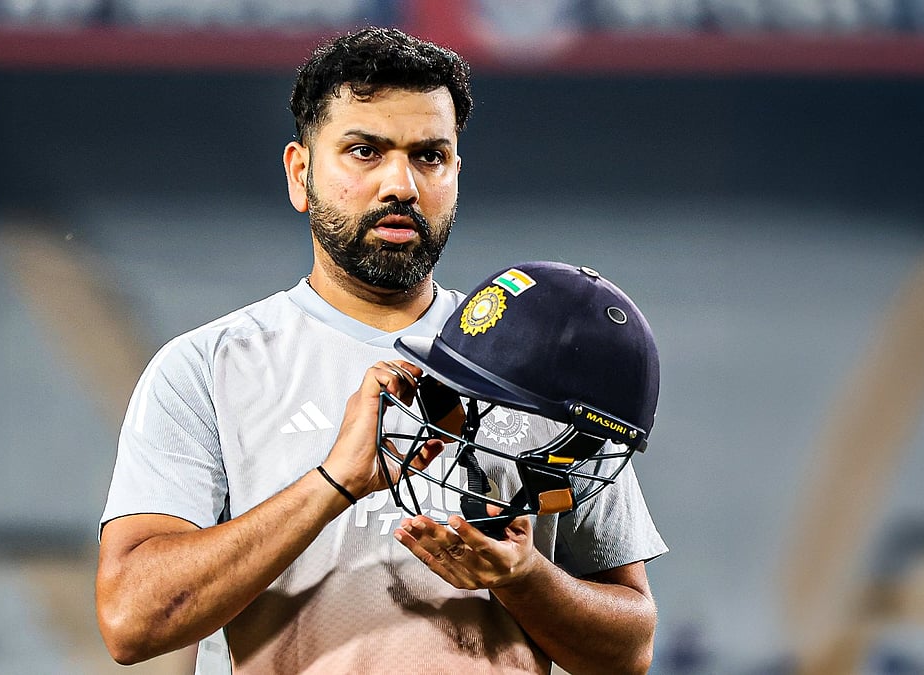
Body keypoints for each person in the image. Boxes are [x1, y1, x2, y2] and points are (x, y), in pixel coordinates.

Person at [96, 26, 666, 675]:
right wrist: (334, 482)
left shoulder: (539, 360)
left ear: (455, 174)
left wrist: (526, 577)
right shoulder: (207, 367)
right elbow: (131, 622)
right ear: (301, 174)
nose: (401, 184)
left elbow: (629, 651)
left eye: (429, 156)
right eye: (365, 151)